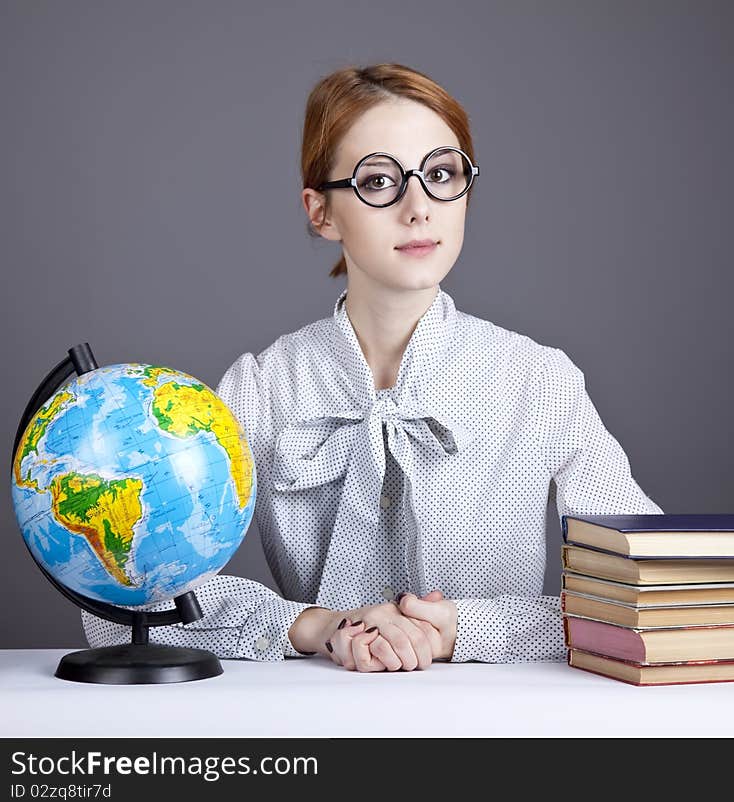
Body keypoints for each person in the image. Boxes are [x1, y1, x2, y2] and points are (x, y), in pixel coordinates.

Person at [82, 62, 663, 672]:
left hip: (503, 719)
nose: (419, 208)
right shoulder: (262, 387)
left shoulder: (539, 381)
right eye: (379, 181)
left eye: (442, 175)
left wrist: (462, 631)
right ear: (321, 212)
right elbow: (120, 602)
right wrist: (314, 626)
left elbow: (647, 592)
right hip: (308, 719)